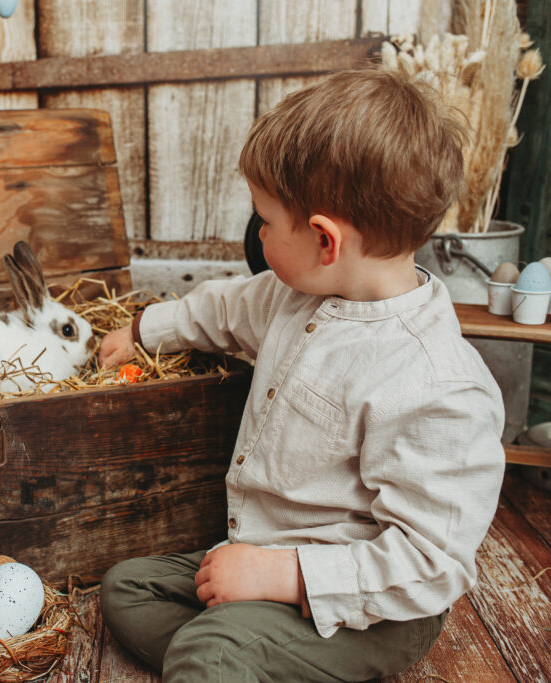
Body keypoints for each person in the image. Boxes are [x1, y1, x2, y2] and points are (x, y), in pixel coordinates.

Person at [97, 68, 506, 682]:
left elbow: (431, 563)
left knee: (208, 654)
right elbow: (226, 307)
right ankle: (246, 653)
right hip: (260, 556)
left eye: (263, 220)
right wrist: (143, 329)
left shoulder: (435, 383)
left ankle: (227, 654)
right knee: (126, 589)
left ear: (324, 239)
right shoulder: (294, 296)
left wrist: (283, 574)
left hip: (372, 610)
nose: (257, 234)